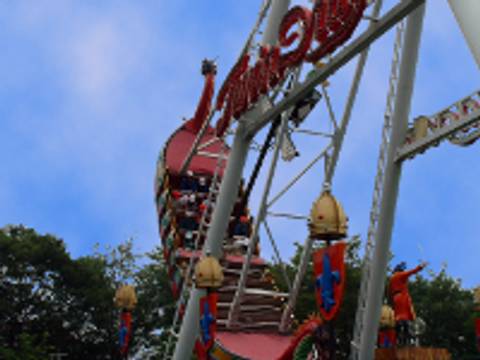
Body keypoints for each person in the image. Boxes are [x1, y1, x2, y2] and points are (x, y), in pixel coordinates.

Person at [389, 261, 427, 346]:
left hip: (396, 298)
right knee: (405, 317)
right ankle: (407, 337)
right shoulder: (400, 275)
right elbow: (410, 272)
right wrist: (420, 267)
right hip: (402, 297)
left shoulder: (392, 279)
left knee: (399, 317)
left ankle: (399, 337)